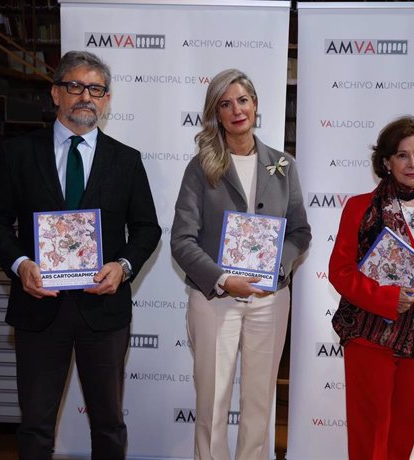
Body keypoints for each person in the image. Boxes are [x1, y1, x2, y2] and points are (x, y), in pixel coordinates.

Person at [0, 51, 161, 460]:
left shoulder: (126, 160)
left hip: (104, 311)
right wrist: (20, 265)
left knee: (109, 425)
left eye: (96, 89)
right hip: (38, 308)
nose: (85, 97)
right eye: (75, 86)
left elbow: (148, 228)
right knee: (35, 426)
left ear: (107, 100)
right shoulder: (19, 154)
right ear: (55, 93)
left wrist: (124, 266)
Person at [170, 68, 311, 460]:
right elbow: (181, 240)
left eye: (243, 100)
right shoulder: (201, 168)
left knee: (259, 404)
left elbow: (300, 232)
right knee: (212, 404)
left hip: (270, 299)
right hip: (215, 300)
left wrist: (276, 271)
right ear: (216, 113)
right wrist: (223, 280)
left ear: (256, 105)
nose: (236, 110)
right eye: (226, 103)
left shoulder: (282, 165)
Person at [329, 116, 414, 460]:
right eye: (402, 155)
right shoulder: (360, 207)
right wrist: (388, 298)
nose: (412, 163)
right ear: (386, 162)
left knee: (402, 434)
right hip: (370, 336)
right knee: (369, 434)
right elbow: (340, 272)